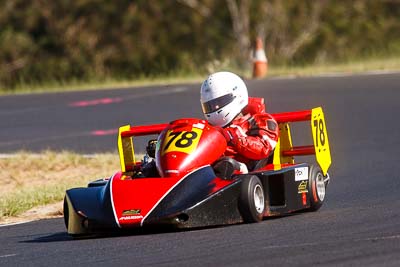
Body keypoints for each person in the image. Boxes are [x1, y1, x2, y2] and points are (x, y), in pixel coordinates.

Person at [200, 71, 279, 173]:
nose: (214, 108)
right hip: (210, 171)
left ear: (237, 95)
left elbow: (264, 147)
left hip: (245, 173)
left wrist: (235, 137)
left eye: (218, 104)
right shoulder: (208, 128)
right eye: (209, 106)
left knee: (227, 165)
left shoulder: (260, 120)